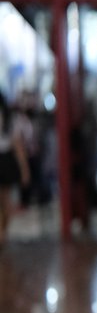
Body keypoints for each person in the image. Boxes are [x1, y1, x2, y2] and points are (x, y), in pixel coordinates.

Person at [0, 93, 30, 247]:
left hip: (5, 160)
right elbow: (18, 147)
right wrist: (24, 170)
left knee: (5, 201)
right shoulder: (10, 119)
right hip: (5, 161)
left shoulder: (10, 120)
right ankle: (2, 233)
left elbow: (18, 146)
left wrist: (24, 170)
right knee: (6, 201)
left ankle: (2, 233)